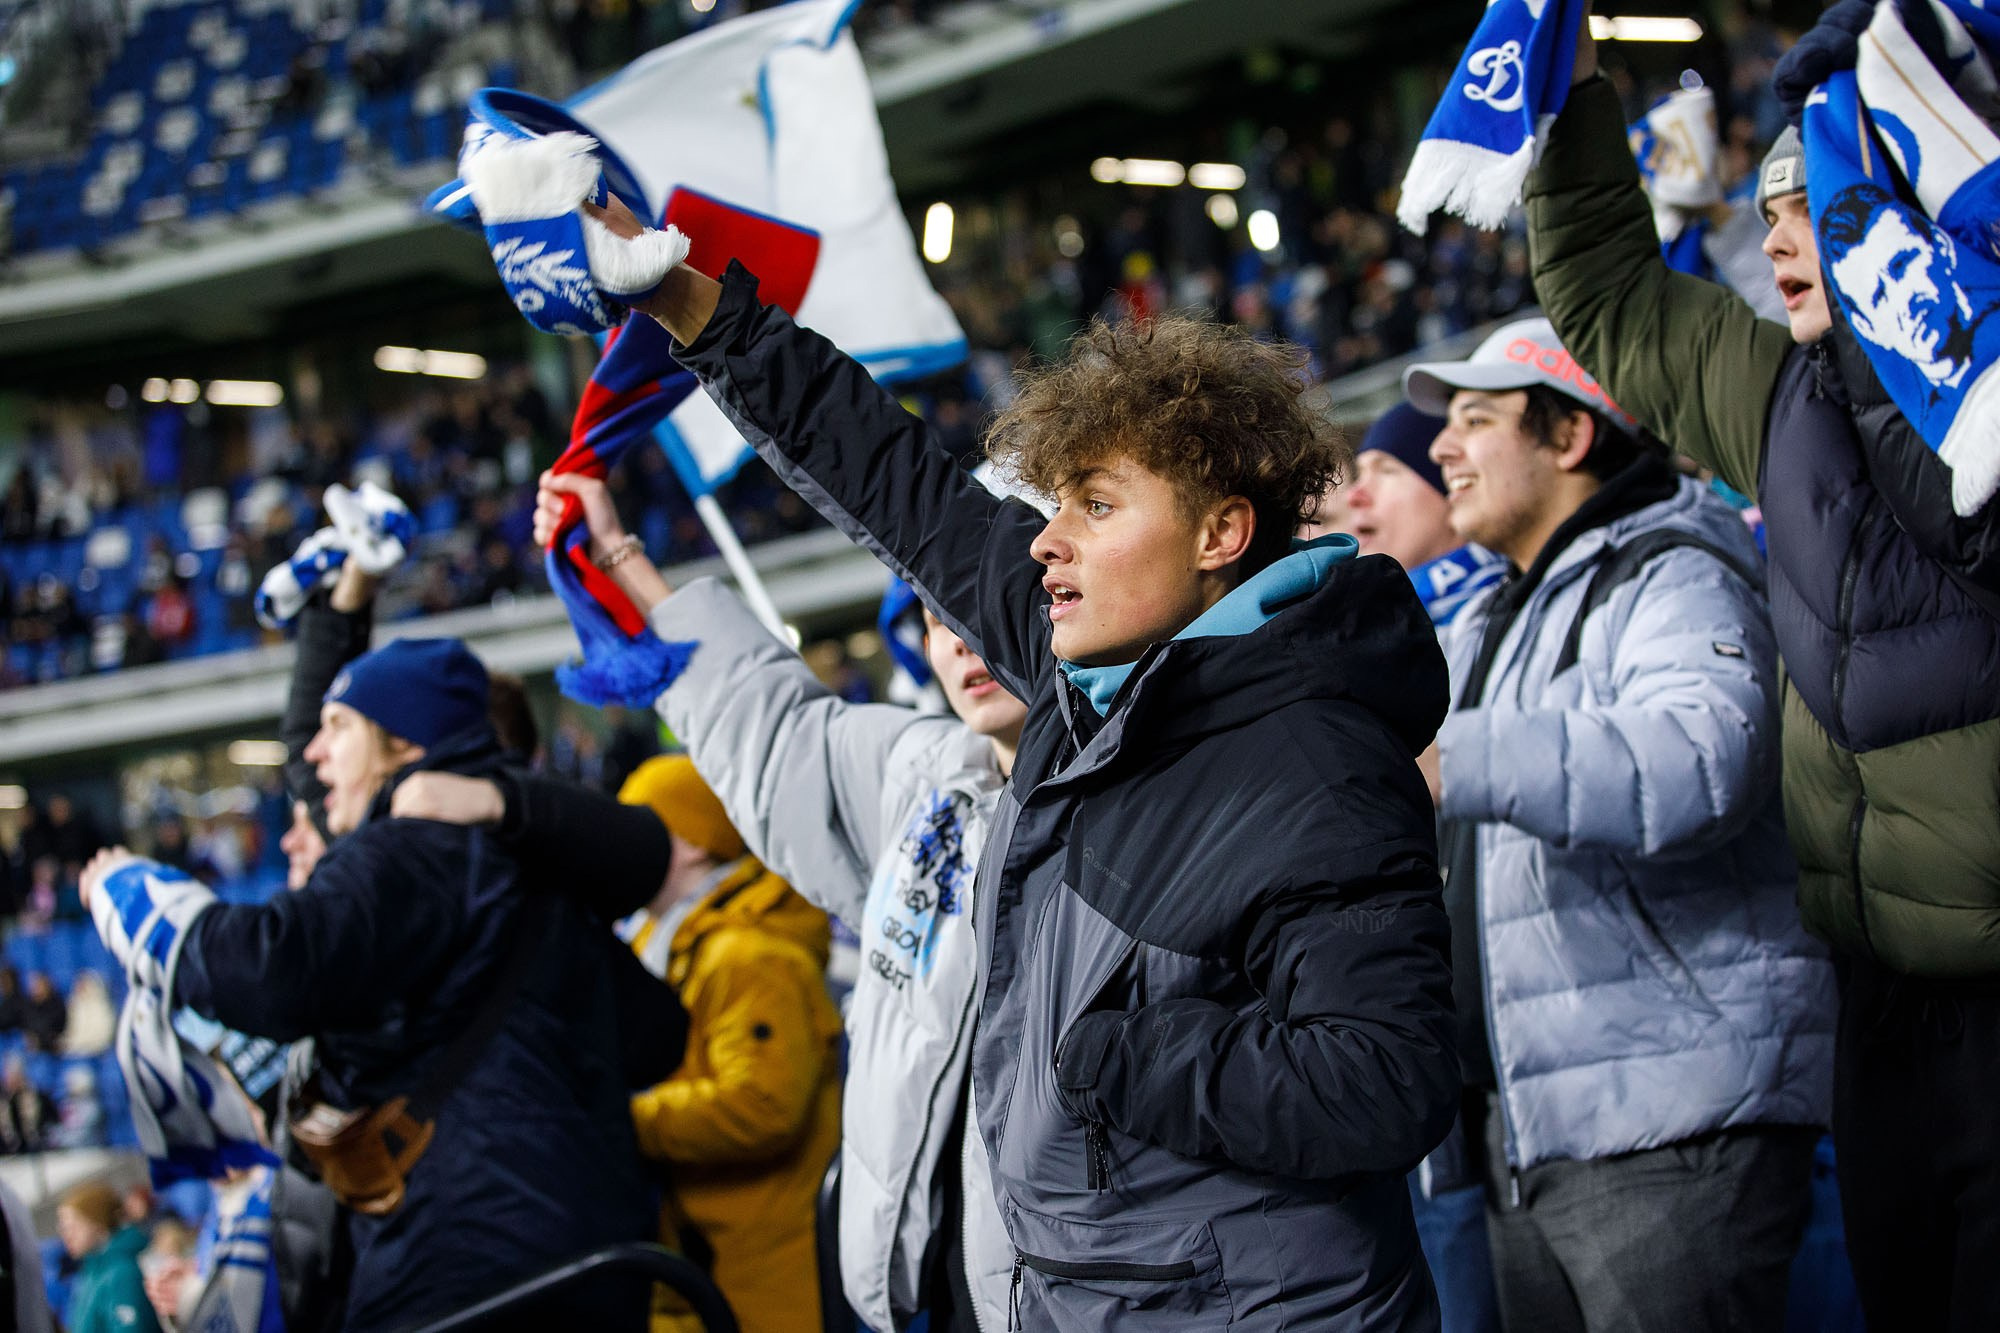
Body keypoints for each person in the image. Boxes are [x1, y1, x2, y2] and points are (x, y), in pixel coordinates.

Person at [575, 201, 1461, 1328]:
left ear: (1218, 535)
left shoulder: (1314, 758)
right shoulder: (1081, 688)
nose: (1048, 540)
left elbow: (1386, 1082)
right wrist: (687, 305)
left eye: (1094, 505)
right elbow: (896, 482)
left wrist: (1120, 1052)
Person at [1526, 16, 2000, 1327]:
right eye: (1773, 209)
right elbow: (1613, 297)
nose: (1781, 237)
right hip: (1880, 1000)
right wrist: (1560, 97)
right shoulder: (1777, 395)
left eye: (1818, 206)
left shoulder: (1993, 396)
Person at [395, 465, 1032, 1333]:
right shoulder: (929, 778)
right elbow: (768, 725)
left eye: (981, 597)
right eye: (933, 608)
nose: (957, 637)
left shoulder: (1152, 797)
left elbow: (759, 1104)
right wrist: (618, 554)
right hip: (947, 1288)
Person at [1407, 317, 1833, 1332]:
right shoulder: (1491, 619)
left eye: (1475, 418)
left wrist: (1454, 758)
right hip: (1528, 1126)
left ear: (1569, 437)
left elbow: (1698, 760)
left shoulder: (1672, 568)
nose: (1440, 447)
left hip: (1668, 1128)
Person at [82, 637, 688, 1332]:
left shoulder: (415, 846)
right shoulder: (522, 865)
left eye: (338, 727)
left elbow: (274, 968)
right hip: (591, 1257)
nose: (315, 751)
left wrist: (135, 900)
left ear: (400, 742)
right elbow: (657, 1036)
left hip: (464, 1269)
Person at [616, 755, 842, 1333]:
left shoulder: (749, 957)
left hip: (767, 1279)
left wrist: (623, 1119)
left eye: (636, 825)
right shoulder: (662, 940)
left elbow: (764, 1106)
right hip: (708, 1258)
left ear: (693, 843)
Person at [58, 1180, 163, 1333]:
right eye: (62, 1227)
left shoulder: (122, 1272)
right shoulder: (91, 1272)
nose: (66, 1235)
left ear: (96, 1222)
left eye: (73, 1226)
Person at [62, 969, 117, 1057]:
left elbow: (103, 1036)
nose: (80, 989)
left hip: (96, 1051)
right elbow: (72, 1031)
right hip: (77, 1050)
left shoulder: (101, 1006)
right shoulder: (74, 1004)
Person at [19, 971, 65, 1051]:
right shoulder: (29, 1005)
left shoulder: (56, 1005)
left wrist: (38, 1039)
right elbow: (25, 1024)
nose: (36, 989)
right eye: (34, 986)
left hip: (49, 1047)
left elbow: (53, 1027)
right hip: (30, 1045)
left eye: (39, 985)